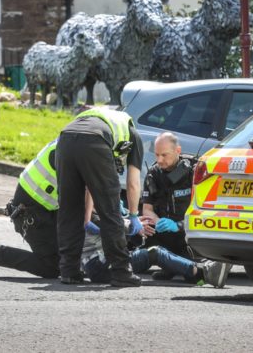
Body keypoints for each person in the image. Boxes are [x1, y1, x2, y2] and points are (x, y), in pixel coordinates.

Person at [55, 107, 144, 287]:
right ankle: (121, 271)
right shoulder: (133, 134)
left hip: (64, 140)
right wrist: (134, 215)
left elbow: (89, 184)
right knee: (110, 211)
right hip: (95, 141)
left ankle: (69, 271)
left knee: (69, 210)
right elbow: (133, 183)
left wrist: (86, 217)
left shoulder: (99, 117)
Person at [0, 140, 60, 278]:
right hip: (30, 212)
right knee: (51, 266)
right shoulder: (78, 151)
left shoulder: (74, 141)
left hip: (44, 208)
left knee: (64, 260)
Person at [81, 214, 231, 288]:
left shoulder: (93, 202)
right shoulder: (89, 210)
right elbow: (108, 225)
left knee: (154, 252)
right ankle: (204, 273)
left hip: (106, 260)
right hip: (99, 264)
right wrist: (134, 224)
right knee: (155, 253)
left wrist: (133, 220)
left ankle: (195, 272)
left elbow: (114, 220)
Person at [141, 132, 195, 268]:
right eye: (156, 155)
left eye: (164, 155)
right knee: (139, 228)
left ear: (178, 151)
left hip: (187, 232)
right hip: (164, 232)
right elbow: (147, 210)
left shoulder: (194, 171)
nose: (159, 160)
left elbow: (203, 212)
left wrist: (178, 226)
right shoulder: (153, 174)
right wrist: (159, 223)